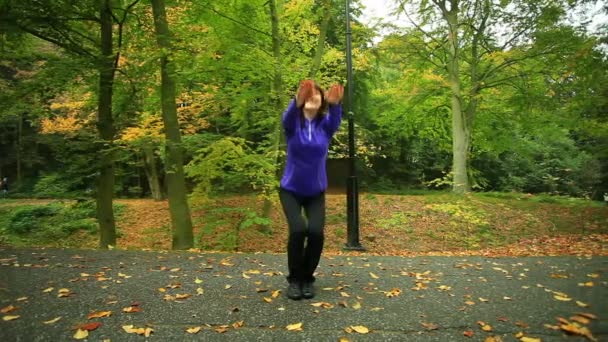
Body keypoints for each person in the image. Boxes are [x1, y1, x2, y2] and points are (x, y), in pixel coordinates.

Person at [279, 79, 344, 300]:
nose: (311, 97)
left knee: (315, 233)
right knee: (298, 230)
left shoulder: (325, 126)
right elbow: (288, 115)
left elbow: (335, 117)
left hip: (315, 192)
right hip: (290, 190)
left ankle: (307, 278)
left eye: (316, 95)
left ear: (321, 101)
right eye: (307, 95)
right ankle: (294, 280)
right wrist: (297, 98)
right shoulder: (292, 124)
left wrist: (335, 104)